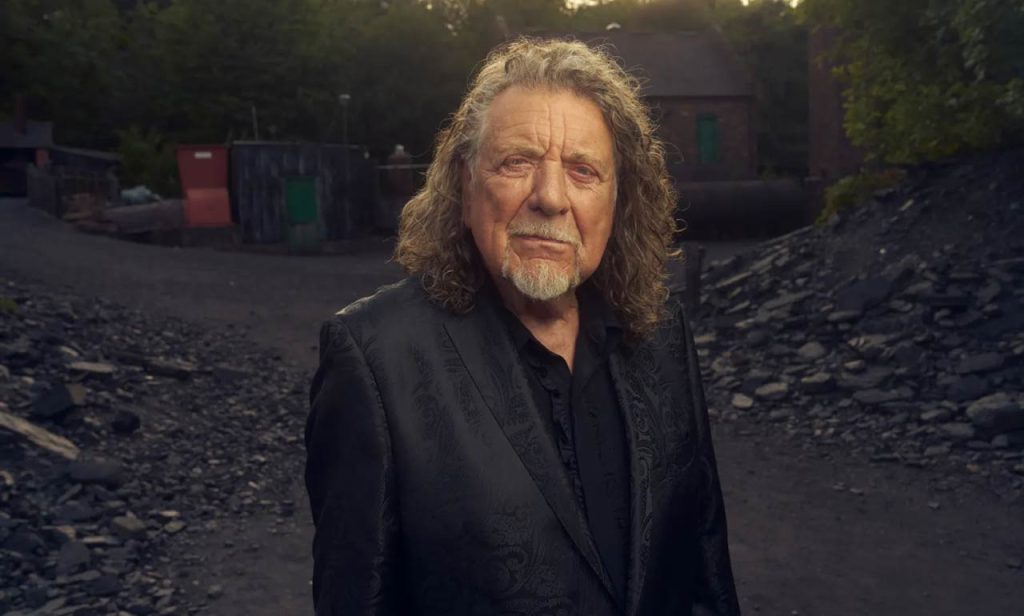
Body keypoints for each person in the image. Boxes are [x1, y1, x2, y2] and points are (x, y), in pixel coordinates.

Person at [305, 37, 740, 616]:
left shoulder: (662, 333)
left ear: (618, 201)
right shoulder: (374, 357)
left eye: (583, 171)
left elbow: (705, 569)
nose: (551, 198)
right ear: (465, 186)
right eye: (517, 162)